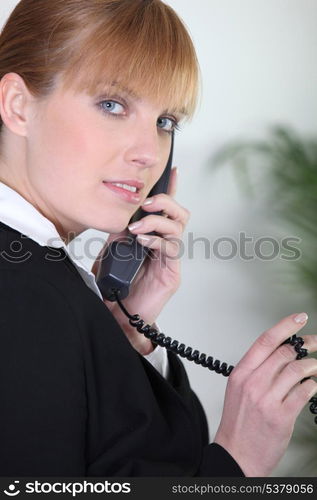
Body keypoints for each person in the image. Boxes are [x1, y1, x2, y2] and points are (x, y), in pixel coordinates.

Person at [0, 0, 316, 478]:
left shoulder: (45, 280)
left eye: (165, 122)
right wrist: (239, 459)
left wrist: (124, 333)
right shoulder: (24, 296)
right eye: (112, 105)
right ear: (18, 106)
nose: (149, 153)